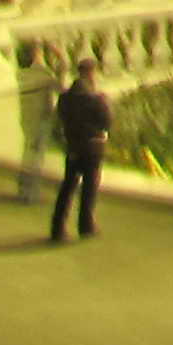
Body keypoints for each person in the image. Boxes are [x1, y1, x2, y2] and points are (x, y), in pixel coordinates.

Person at [49, 56, 112, 244]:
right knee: (89, 188)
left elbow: (60, 118)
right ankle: (86, 225)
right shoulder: (96, 99)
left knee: (67, 186)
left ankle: (57, 228)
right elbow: (107, 122)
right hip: (92, 147)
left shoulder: (65, 98)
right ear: (92, 73)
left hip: (73, 146)